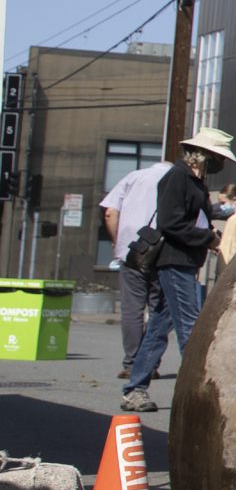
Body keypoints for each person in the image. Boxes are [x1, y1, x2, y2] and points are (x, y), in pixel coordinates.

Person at [119, 127, 234, 414]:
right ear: (202, 155)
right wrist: (207, 238)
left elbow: (187, 219)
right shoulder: (178, 178)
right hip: (174, 260)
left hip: (183, 259)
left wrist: (205, 235)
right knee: (190, 327)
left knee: (159, 327)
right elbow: (171, 223)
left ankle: (135, 389)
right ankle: (199, 392)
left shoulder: (193, 179)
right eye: (218, 157)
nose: (221, 164)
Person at [99, 153, 173, 377]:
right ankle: (150, 364)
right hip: (164, 252)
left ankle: (131, 364)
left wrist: (116, 241)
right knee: (159, 310)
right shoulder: (178, 180)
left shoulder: (133, 177)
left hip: (131, 251)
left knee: (132, 309)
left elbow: (110, 212)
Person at [205, 183, 236, 284]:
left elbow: (228, 252)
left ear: (235, 200)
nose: (221, 206)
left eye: (223, 203)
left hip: (229, 275)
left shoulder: (233, 221)